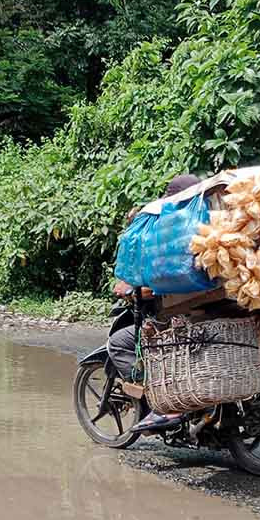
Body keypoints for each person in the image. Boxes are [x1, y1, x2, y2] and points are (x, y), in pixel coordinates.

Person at [109, 173, 203, 433]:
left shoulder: (173, 232)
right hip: (207, 313)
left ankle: (158, 401)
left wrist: (133, 287)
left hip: (180, 317)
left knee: (119, 343)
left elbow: (157, 284)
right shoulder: (205, 223)